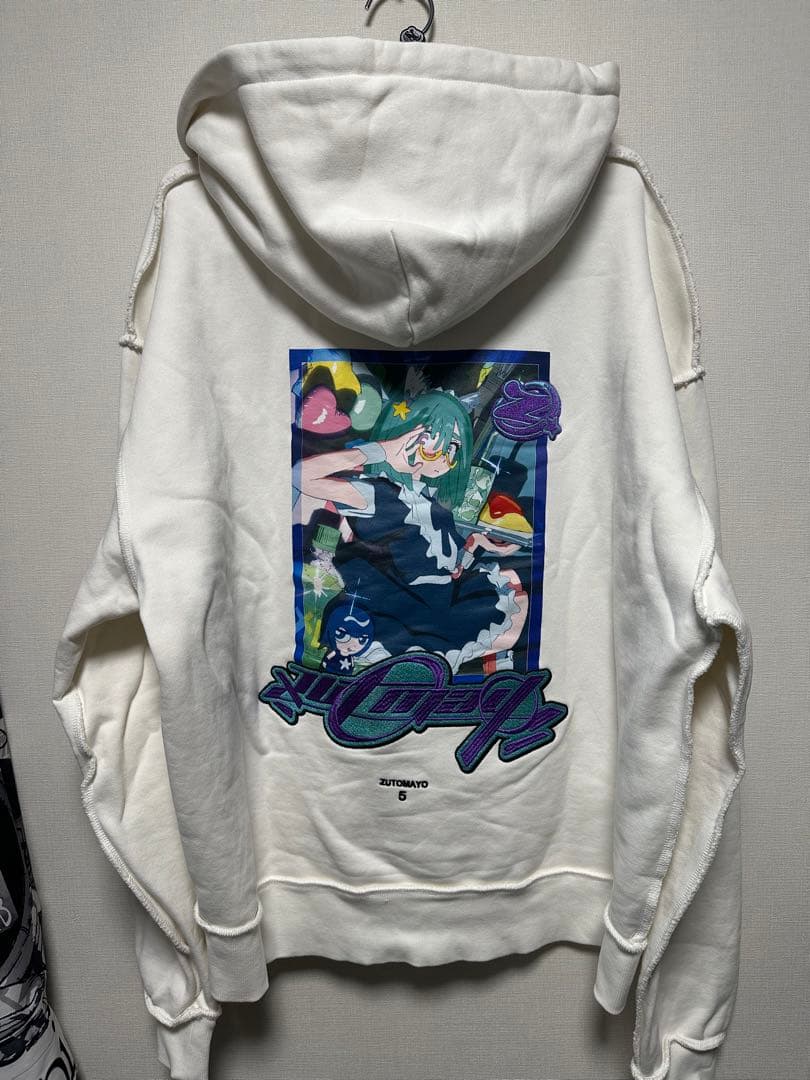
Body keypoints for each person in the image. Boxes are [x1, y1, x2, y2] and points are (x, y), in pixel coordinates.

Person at [296, 389, 528, 672]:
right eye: (432, 444)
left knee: (512, 586)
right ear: (404, 436)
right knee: (505, 602)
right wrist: (379, 450)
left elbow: (448, 567)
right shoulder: (376, 491)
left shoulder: (433, 502)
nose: (443, 458)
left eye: (453, 449)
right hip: (403, 604)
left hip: (438, 596)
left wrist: (477, 542)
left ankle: (497, 678)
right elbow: (301, 476)